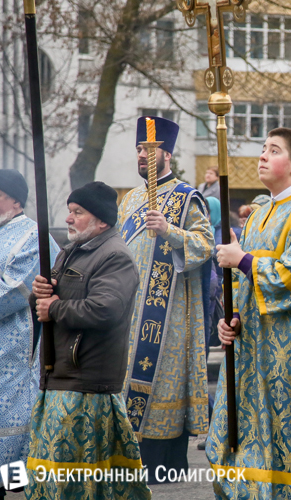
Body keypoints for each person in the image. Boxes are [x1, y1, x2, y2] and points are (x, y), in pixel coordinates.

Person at [209, 127, 291, 499]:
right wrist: (230, 319)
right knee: (241, 443)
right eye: (263, 148)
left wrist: (244, 259)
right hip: (252, 352)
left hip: (289, 357)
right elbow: (243, 286)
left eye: (274, 150)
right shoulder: (260, 214)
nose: (262, 156)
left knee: (285, 447)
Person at [25, 182, 150, 499]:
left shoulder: (114, 257)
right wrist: (42, 293)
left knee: (79, 480)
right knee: (54, 477)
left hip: (86, 383)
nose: (69, 218)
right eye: (69, 211)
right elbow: (53, 302)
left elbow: (105, 310)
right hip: (61, 377)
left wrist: (54, 306)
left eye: (77, 212)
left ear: (102, 221)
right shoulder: (72, 251)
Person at [117, 116, 214, 482]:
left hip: (168, 315)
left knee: (161, 388)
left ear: (167, 154)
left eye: (149, 149)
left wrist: (170, 231)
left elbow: (205, 244)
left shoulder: (188, 196)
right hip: (129, 311)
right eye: (139, 149)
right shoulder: (131, 198)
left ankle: (166, 466)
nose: (142, 155)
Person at [0, 170, 57, 499]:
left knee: (6, 423)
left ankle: (2, 485)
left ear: (16, 201)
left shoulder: (35, 238)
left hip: (9, 350)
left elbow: (15, 288)